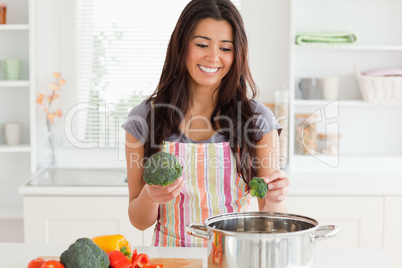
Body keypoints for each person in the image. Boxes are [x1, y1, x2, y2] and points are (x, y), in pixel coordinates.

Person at [122, 0, 289, 247]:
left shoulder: (257, 121)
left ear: (238, 53)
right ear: (181, 46)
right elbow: (139, 221)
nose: (213, 57)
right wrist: (150, 195)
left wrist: (276, 196)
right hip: (171, 261)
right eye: (202, 44)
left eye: (225, 48)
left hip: (236, 258)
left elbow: (270, 218)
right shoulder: (144, 118)